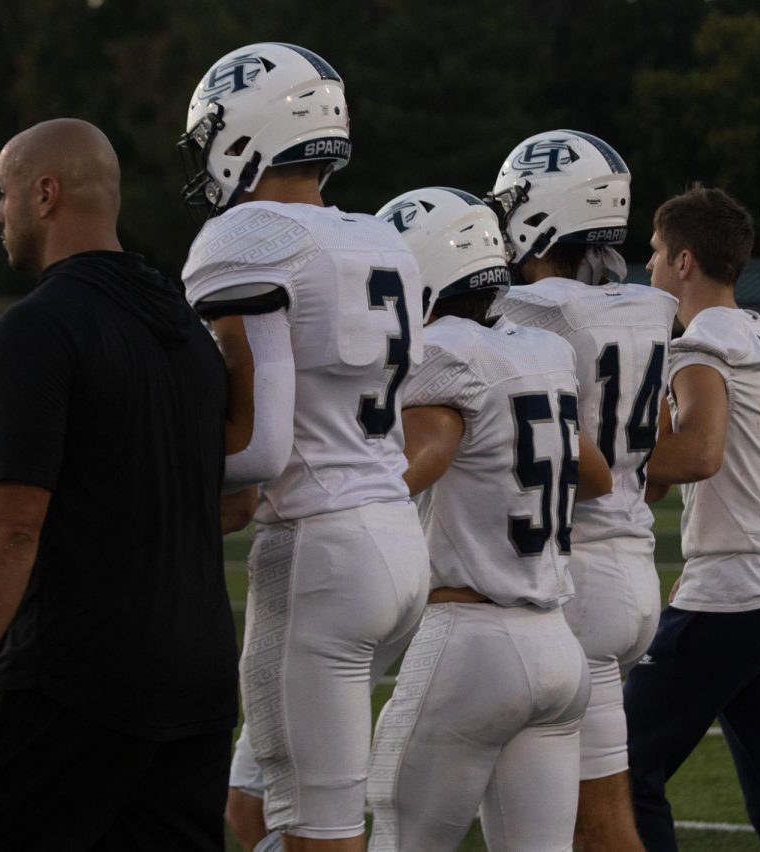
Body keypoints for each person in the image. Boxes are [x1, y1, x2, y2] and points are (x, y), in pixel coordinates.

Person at [0, 118, 243, 851]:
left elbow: (11, 526)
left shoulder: (38, 330)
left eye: (3, 194)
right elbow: (237, 500)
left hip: (77, 677)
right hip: (198, 677)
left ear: (45, 193)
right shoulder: (188, 334)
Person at [178, 43, 429, 851]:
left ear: (244, 131)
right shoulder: (382, 237)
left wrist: (146, 478)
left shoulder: (248, 235)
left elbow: (254, 449)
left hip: (320, 549)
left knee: (316, 827)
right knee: (262, 803)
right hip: (397, 535)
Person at [366, 186, 610, 851]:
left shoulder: (444, 351)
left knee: (399, 841)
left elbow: (422, 450)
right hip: (558, 649)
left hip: (470, 640)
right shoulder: (541, 352)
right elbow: (598, 477)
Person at [486, 129, 678, 851]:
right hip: (633, 564)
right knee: (581, 816)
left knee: (584, 823)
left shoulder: (535, 310)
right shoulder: (647, 308)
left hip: (574, 582)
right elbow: (652, 440)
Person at [624, 184, 760, 851]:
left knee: (618, 770)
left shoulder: (701, 344)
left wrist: (606, 448)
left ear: (684, 262)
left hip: (738, 595)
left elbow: (699, 454)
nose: (647, 265)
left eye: (655, 252)